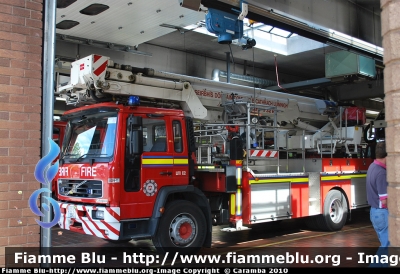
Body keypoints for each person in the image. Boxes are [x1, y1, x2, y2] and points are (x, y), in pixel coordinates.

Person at [366, 141, 389, 267]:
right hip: (382, 213)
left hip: (375, 212)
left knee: (386, 246)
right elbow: (384, 200)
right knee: (388, 247)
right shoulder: (381, 173)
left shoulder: (372, 167)